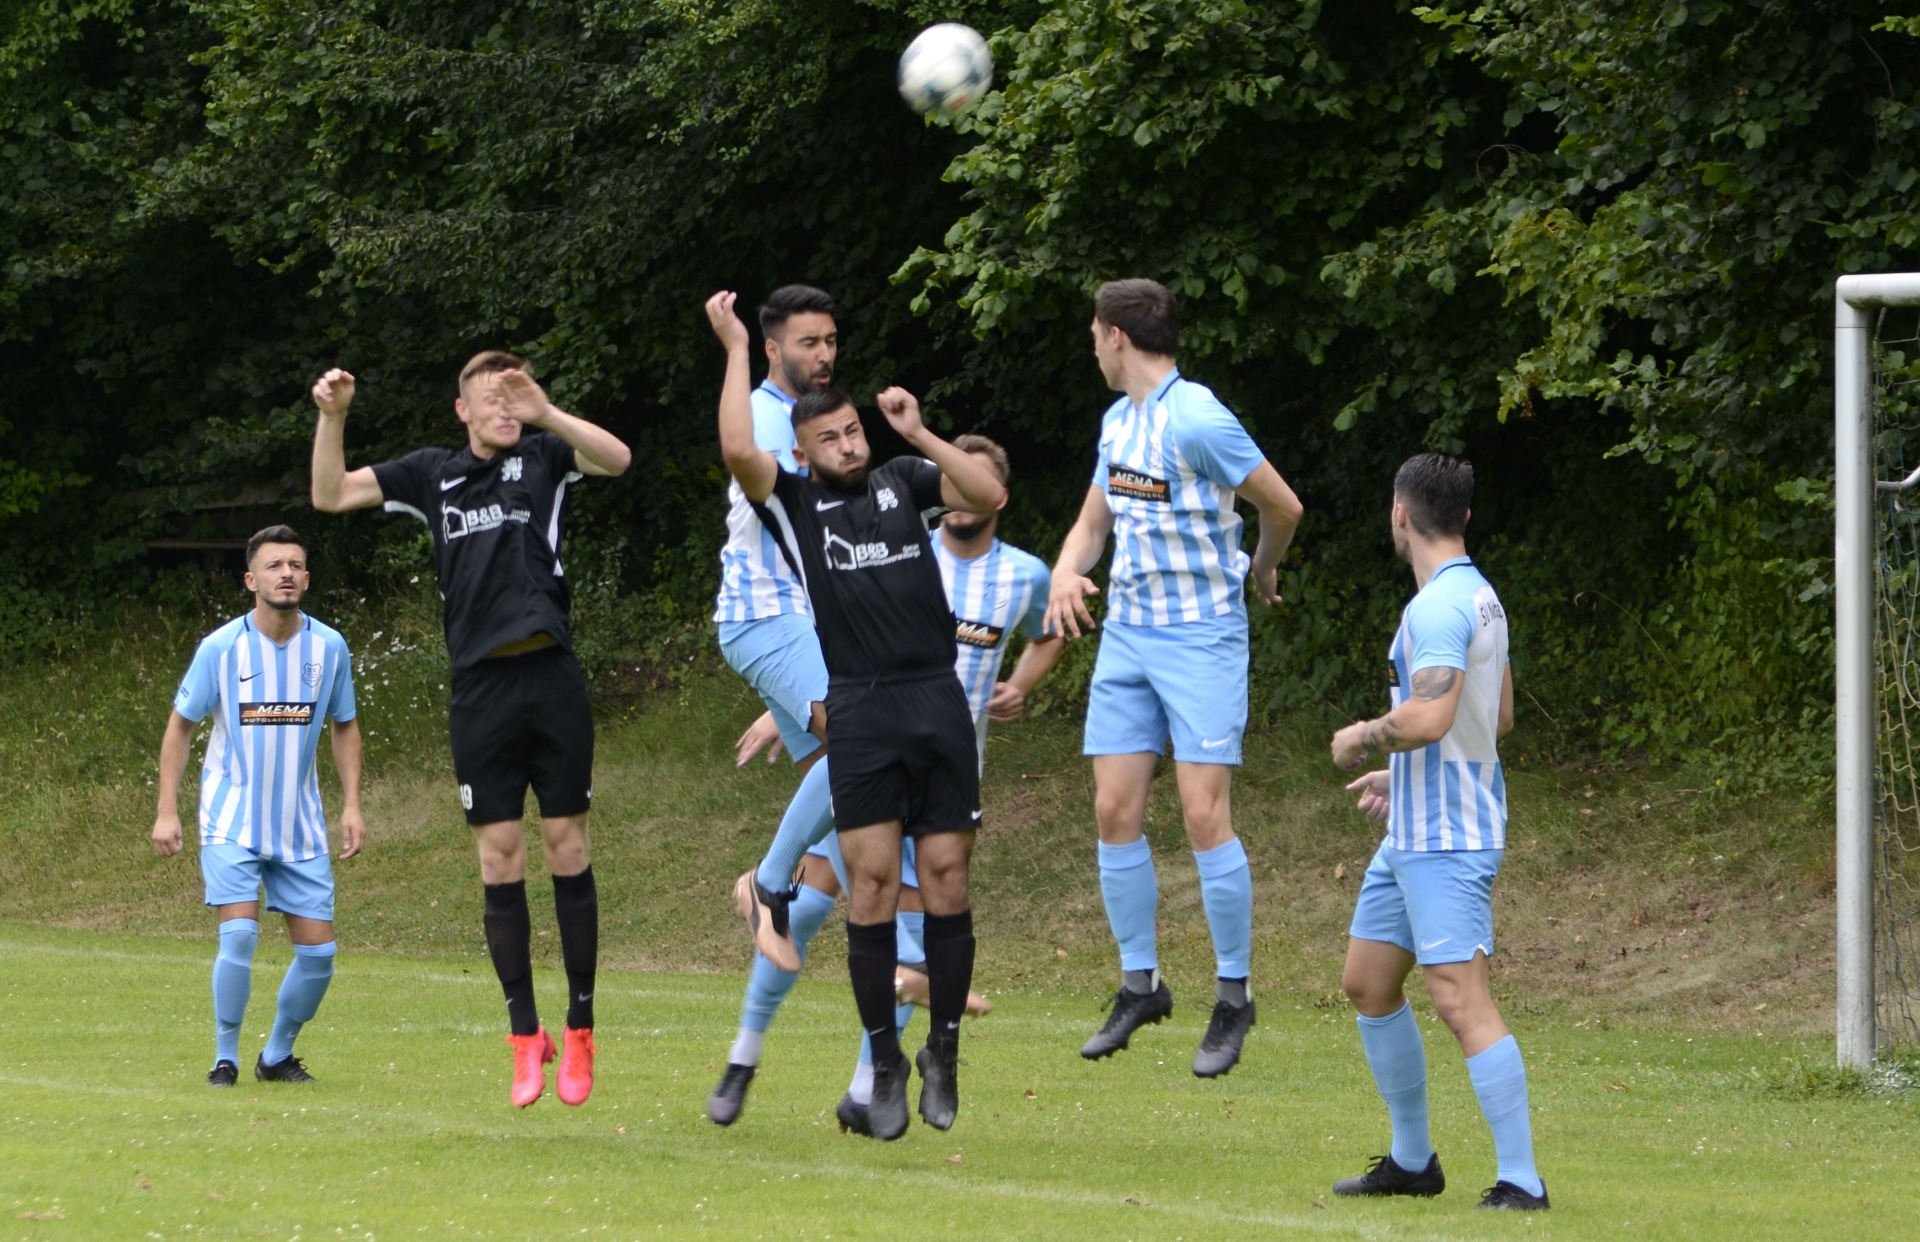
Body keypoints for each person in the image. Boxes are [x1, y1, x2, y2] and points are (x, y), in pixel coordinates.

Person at [705, 288, 1007, 1141]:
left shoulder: (903, 480)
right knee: (870, 884)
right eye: (828, 438)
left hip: (934, 702)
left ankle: (933, 1051)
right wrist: (734, 345)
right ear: (802, 457)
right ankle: (876, 1055)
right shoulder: (797, 506)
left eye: (852, 431)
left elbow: (985, 494)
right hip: (863, 706)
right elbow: (738, 448)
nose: (846, 443)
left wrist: (917, 432)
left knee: (938, 880)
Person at [308, 352, 631, 1109]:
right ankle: (525, 1036)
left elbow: (617, 459)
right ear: (463, 410)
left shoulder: (545, 455)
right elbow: (329, 494)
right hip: (482, 691)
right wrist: (333, 416)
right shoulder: (433, 474)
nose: (506, 408)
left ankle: (580, 1027)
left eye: (517, 395)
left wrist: (546, 412)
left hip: (551, 678)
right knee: (499, 855)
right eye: (494, 397)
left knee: (567, 845)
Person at [1047, 278, 1303, 1077]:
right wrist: (1065, 570)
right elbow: (1093, 523)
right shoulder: (1117, 422)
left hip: (1200, 638)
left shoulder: (1197, 417)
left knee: (1201, 814)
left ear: (1117, 336)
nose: (1093, 348)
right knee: (1113, 808)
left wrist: (1262, 568)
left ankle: (1234, 997)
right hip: (1128, 635)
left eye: (1095, 334)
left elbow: (1284, 506)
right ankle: (1141, 987)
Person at [1327, 453, 1547, 1211]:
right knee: (1368, 981)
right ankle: (1413, 1162)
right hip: (1416, 831)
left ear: (1400, 513)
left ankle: (1522, 1181)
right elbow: (1498, 717)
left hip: (1449, 837)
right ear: (1464, 516)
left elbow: (1429, 716)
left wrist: (1361, 736)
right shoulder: (1479, 597)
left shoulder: (1439, 607)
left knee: (1459, 999)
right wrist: (1405, 776)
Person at [150, 526, 363, 1087]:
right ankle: (226, 1058)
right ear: (251, 580)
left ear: (307, 579)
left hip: (300, 824)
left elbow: (345, 725)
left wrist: (352, 805)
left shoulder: (330, 647)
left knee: (319, 956)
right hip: (231, 819)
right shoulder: (221, 648)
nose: (285, 573)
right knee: (240, 935)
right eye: (273, 565)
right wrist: (167, 810)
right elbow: (180, 727)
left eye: (295, 564)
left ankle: (276, 1055)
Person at [711, 285, 843, 976]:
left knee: (858, 790)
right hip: (766, 613)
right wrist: (732, 350)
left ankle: (910, 962)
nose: (823, 355)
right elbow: (742, 455)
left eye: (830, 341)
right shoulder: (763, 416)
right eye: (807, 343)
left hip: (804, 627)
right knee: (863, 743)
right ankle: (768, 884)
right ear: (772, 348)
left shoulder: (822, 422)